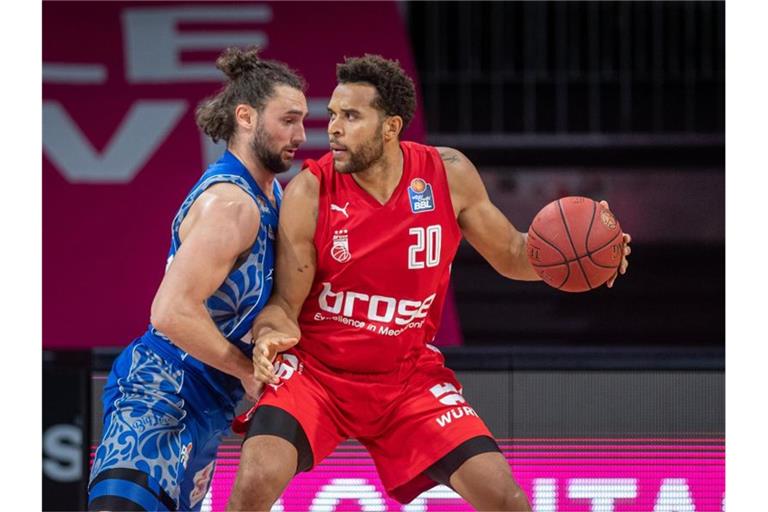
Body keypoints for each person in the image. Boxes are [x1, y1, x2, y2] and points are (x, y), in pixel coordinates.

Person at [227, 55, 631, 511]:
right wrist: (268, 334)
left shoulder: (448, 173)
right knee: (255, 480)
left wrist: (588, 260)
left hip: (407, 378)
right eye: (334, 115)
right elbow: (284, 303)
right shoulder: (310, 191)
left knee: (507, 497)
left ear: (391, 127)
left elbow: (516, 255)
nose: (333, 128)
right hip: (318, 375)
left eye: (352, 116)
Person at [87, 47, 309, 512]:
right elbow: (170, 312)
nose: (300, 135)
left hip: (209, 405)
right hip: (159, 392)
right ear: (245, 117)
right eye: (288, 120)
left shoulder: (274, 193)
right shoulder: (232, 203)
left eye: (303, 121)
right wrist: (247, 372)